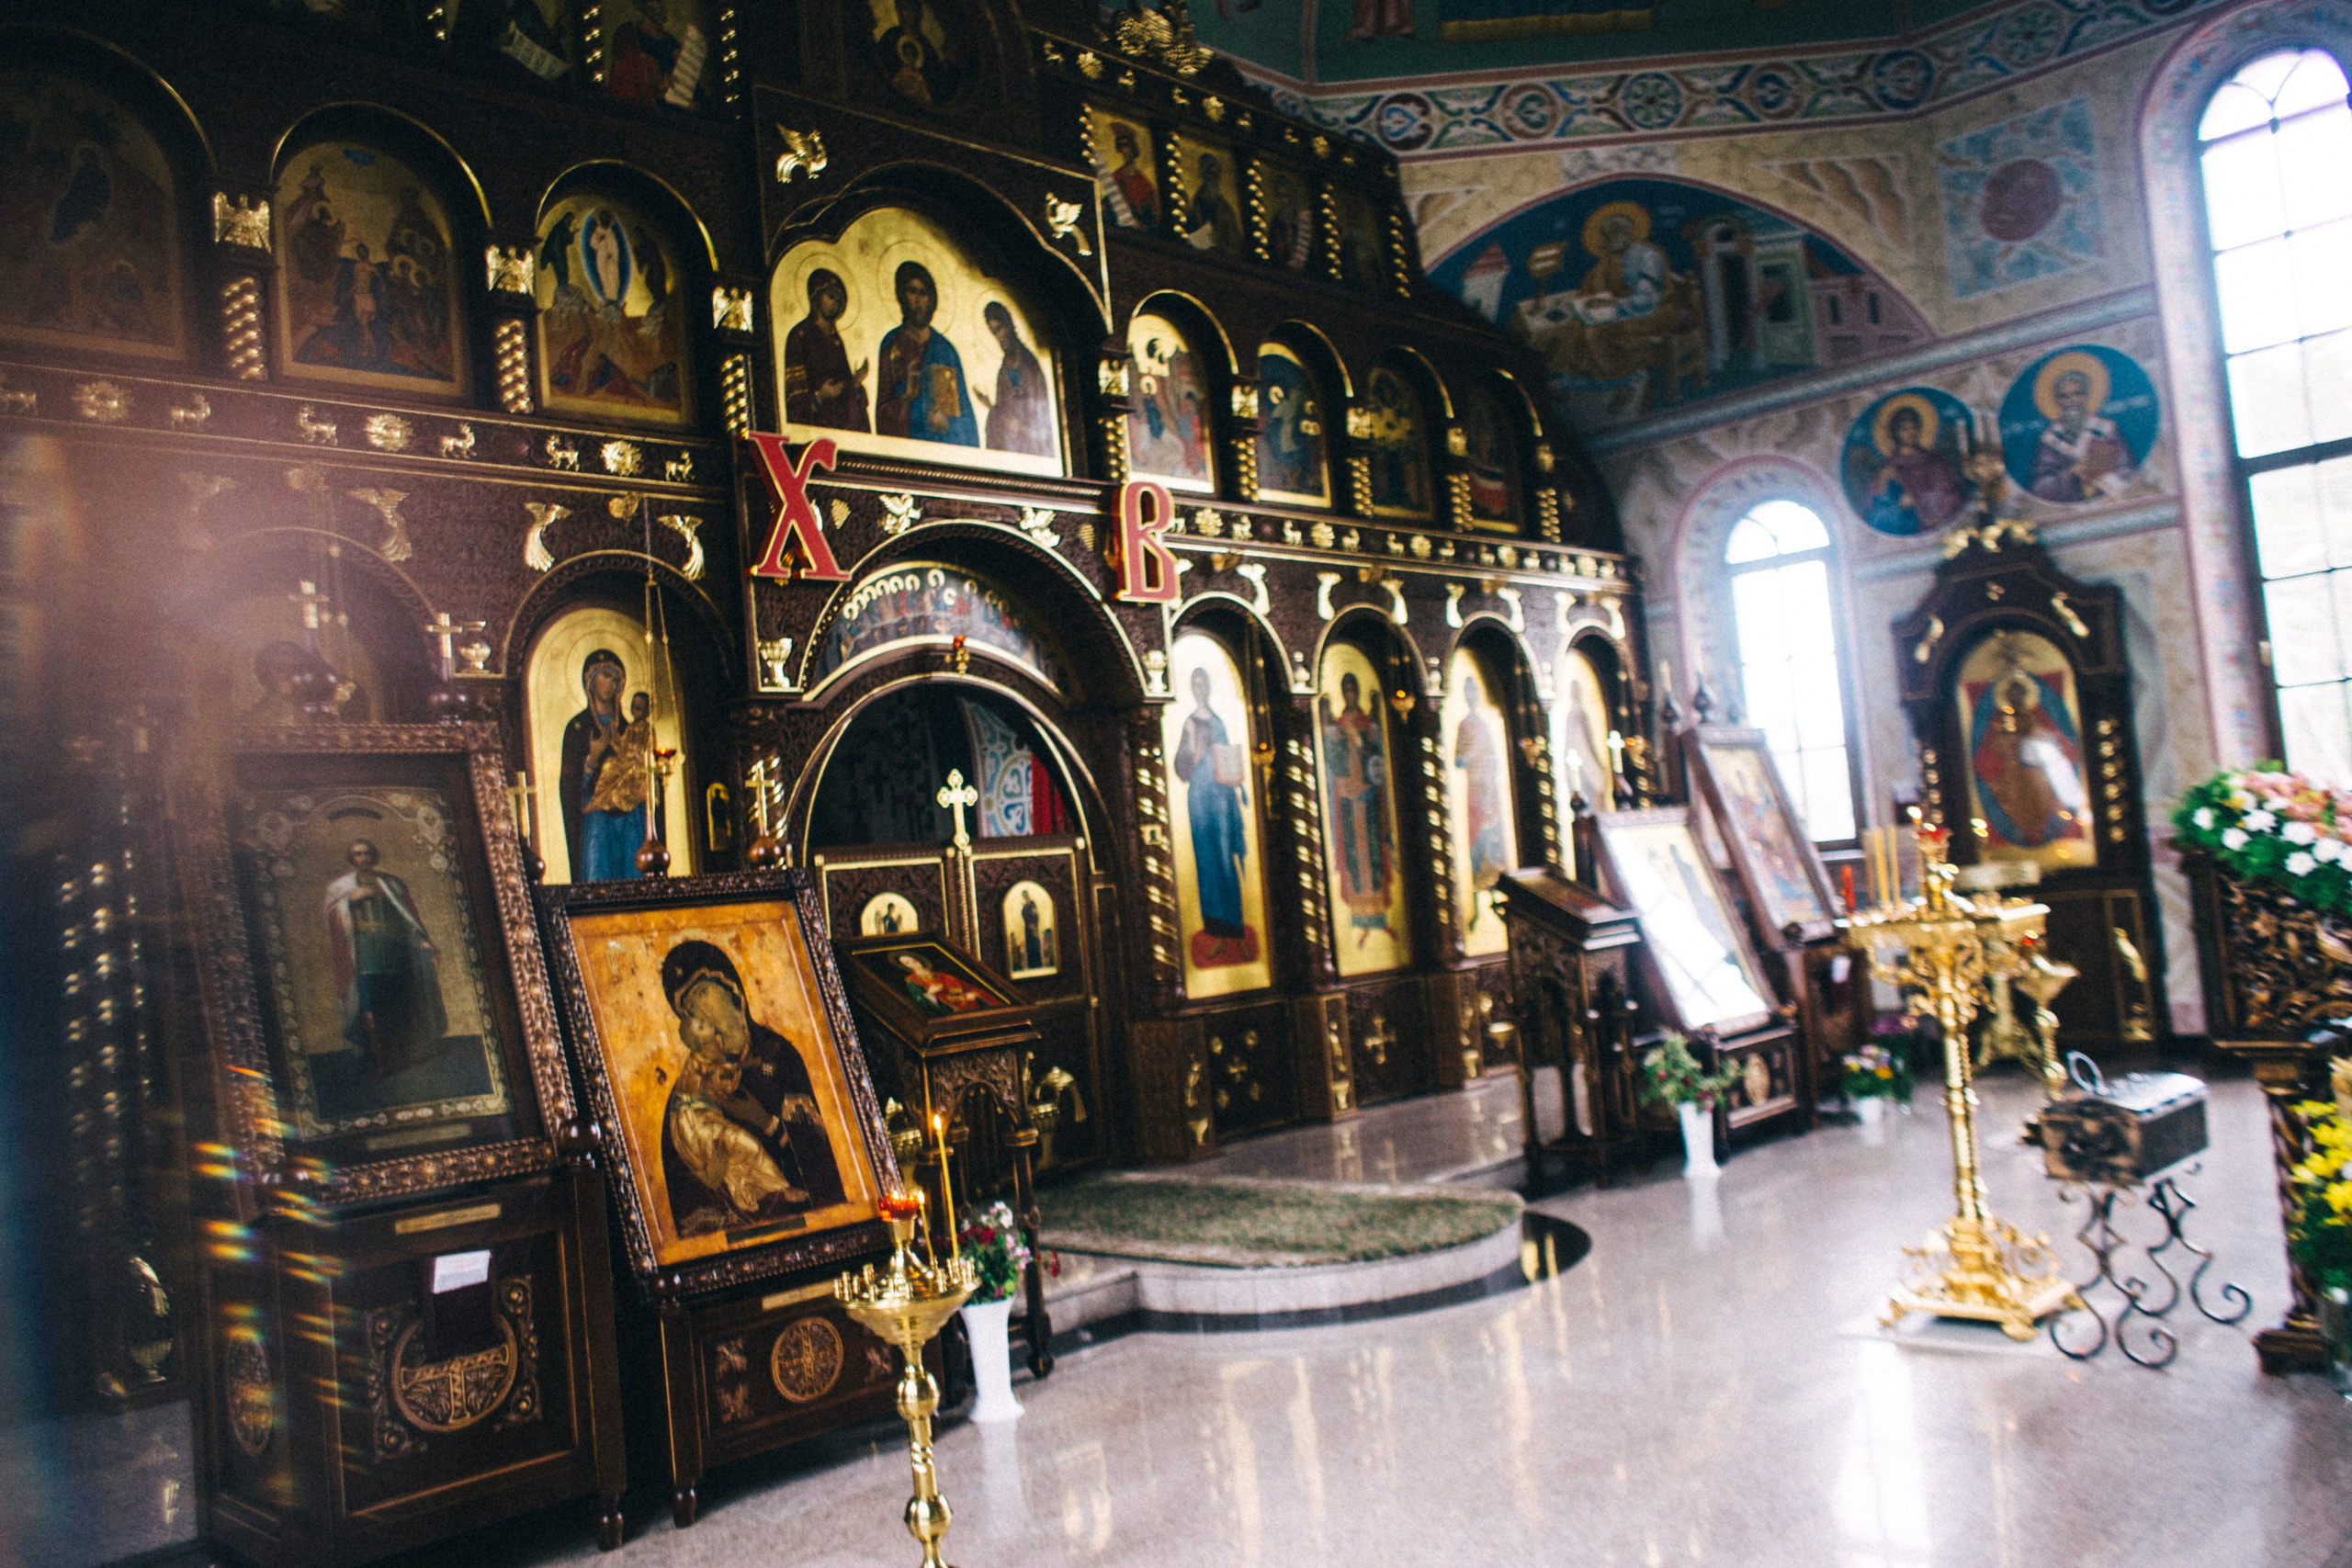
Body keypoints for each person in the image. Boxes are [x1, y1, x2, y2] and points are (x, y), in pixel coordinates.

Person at [658, 940, 842, 1236]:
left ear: (734, 992)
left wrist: (766, 1124)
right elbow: (687, 1202)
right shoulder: (689, 1094)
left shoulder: (779, 1058)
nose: (700, 1014)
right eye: (689, 1010)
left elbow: (820, 1167)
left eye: (703, 994)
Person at [322, 839, 448, 1080]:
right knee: (370, 1008)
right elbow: (332, 919)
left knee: (400, 1005)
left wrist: (421, 938)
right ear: (352, 858)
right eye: (358, 854)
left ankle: (407, 1055)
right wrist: (350, 900)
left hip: (395, 951)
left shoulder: (391, 883)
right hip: (365, 954)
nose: (363, 858)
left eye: (367, 852)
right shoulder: (342, 887)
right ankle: (381, 1061)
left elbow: (408, 915)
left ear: (374, 855)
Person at [1173, 665, 1255, 967]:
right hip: (1199, 801)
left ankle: (1237, 932)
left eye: (1202, 683)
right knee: (1207, 865)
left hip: (1221, 801)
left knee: (1224, 863)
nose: (1199, 688)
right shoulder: (1189, 724)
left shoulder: (1219, 722)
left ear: (1208, 686)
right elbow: (1181, 770)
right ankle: (1218, 935)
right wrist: (1194, 748)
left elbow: (1230, 761)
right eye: (1194, 684)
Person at [1319, 671, 1396, 946]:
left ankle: (1380, 918)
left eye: (1354, 689)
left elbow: (1378, 760)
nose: (1350, 693)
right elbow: (1334, 763)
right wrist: (1339, 741)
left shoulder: (1367, 724)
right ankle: (1360, 920)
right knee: (1355, 857)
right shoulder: (1339, 726)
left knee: (1374, 857)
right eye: (1346, 689)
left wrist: (1364, 748)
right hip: (1349, 801)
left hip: (1369, 799)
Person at [560, 649, 651, 881]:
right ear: (590, 682)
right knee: (598, 875)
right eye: (605, 676)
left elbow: (648, 779)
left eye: (615, 678)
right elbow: (569, 788)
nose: (610, 684)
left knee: (633, 878)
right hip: (596, 820)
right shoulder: (577, 728)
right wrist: (591, 760)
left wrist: (645, 770)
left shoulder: (631, 730)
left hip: (630, 818)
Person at [1973, 670, 2089, 850]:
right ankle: (2021, 831)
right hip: (2012, 770)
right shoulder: (2001, 720)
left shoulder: (2033, 716)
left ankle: (2039, 830)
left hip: (2034, 769)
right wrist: (2006, 740)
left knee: (2040, 799)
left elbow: (2048, 739)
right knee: (2014, 799)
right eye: (2012, 694)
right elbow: (1994, 747)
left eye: (2018, 693)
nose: (2015, 696)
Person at [875, 260, 978, 446]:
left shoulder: (946, 350)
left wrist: (947, 424)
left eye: (924, 293)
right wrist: (906, 399)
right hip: (906, 452)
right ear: (902, 296)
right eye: (912, 291)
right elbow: (881, 414)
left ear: (932, 299)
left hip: (944, 453)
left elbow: (967, 419)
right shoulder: (892, 345)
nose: (919, 300)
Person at [1452, 673, 1509, 933]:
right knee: (1477, 842)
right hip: (1474, 793)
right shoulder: (1464, 726)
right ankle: (1473, 905)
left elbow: (1496, 758)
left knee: (1495, 844)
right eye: (1468, 691)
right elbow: (1458, 760)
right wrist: (1471, 753)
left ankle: (1501, 901)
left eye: (1475, 691)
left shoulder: (1485, 723)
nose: (1472, 695)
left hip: (1490, 791)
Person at [783, 268, 871, 431]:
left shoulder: (836, 341)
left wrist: (855, 382)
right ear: (816, 296)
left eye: (839, 300)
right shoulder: (800, 336)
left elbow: (844, 387)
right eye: (830, 297)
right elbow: (795, 398)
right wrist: (820, 396)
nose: (835, 303)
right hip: (815, 427)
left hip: (840, 426)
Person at [2029, 368, 2132, 502]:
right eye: (2064, 396)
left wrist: (2104, 476)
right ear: (2057, 400)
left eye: (2077, 394)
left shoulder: (2106, 429)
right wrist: (2071, 474)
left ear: (2086, 395)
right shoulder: (2050, 439)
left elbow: (2127, 469)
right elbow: (2040, 487)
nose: (2072, 400)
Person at [1863, 402, 1964, 536]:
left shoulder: (1934, 462)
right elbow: (1876, 511)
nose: (1910, 433)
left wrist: (1925, 505)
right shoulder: (1887, 469)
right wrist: (1898, 505)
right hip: (1905, 526)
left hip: (1939, 526)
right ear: (1895, 432)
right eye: (1904, 429)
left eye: (1914, 428)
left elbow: (1951, 495)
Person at [978, 300, 1054, 456]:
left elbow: (1042, 419)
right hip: (1010, 446)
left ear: (1009, 325)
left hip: (1033, 448)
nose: (999, 337)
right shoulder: (1003, 372)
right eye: (994, 332)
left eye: (1000, 328)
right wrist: (991, 407)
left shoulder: (1030, 365)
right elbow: (1003, 414)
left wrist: (1021, 428)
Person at [875, 0, 958, 107]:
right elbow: (881, 62)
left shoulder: (924, 43)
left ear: (918, 12)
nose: (910, 14)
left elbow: (934, 73)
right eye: (906, 9)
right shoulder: (892, 36)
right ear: (900, 11)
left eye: (913, 9)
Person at [1096, 122, 1159, 231]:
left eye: (1127, 145)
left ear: (1133, 147)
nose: (1125, 150)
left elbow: (1152, 210)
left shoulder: (1143, 181)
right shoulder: (1117, 175)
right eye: (1121, 146)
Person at [894, 952, 991, 1015]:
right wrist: (930, 993)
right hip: (947, 1010)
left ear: (918, 960)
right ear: (906, 966)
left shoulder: (942, 975)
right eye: (908, 963)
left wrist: (972, 995)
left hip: (963, 1005)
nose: (913, 963)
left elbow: (962, 988)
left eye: (913, 960)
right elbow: (919, 1000)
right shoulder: (911, 980)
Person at [1183, 152, 1243, 254]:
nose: (1213, 179)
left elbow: (1234, 238)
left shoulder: (1225, 209)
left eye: (1216, 174)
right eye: (1210, 173)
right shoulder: (1194, 206)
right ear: (1203, 176)